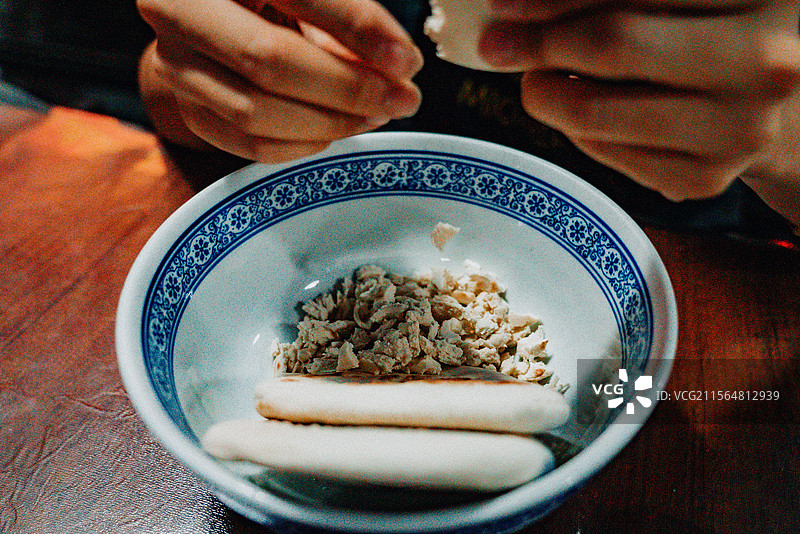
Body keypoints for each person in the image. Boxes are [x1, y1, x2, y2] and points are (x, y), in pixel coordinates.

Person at [136, 0, 800, 231]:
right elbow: (169, 89)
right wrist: (222, 77)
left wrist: (780, 143)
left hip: (688, 276)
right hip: (357, 229)